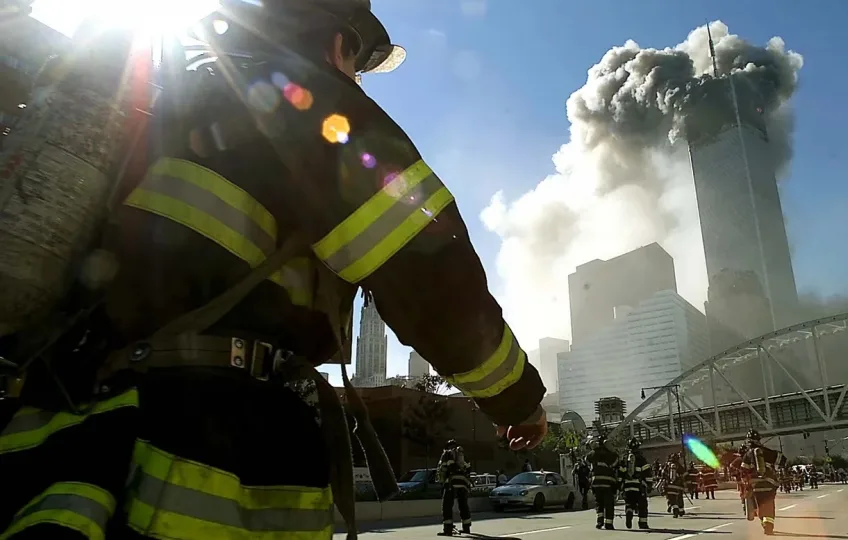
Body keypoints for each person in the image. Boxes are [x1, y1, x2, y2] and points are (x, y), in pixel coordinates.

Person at [0, 1, 549, 539]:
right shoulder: (310, 106)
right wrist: (516, 399)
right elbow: (430, 274)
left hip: (59, 439)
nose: (359, 81)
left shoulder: (171, 106)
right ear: (340, 42)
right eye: (359, 65)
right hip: (203, 444)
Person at [740, 430, 782, 536]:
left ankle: (764, 524)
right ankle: (768, 526)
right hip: (770, 484)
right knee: (769, 505)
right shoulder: (767, 451)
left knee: (760, 505)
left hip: (756, 486)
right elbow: (782, 460)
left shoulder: (747, 455)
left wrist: (746, 485)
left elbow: (743, 472)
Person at [438, 440, 472, 536]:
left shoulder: (447, 454)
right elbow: (469, 468)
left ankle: (448, 529)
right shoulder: (463, 455)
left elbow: (444, 468)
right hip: (463, 483)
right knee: (463, 505)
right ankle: (466, 528)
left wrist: (443, 479)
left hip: (451, 482)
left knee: (447, 505)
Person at [618, 437, 652, 529]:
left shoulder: (624, 459)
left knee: (629, 502)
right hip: (639, 486)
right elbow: (647, 473)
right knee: (642, 505)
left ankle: (629, 511)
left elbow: (620, 473)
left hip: (627, 487)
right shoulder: (641, 459)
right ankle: (642, 523)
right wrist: (649, 485)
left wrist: (619, 485)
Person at [586, 435, 619, 530]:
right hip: (608, 482)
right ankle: (608, 523)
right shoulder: (610, 454)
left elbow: (586, 461)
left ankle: (599, 521)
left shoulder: (593, 453)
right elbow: (616, 463)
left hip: (596, 482)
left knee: (599, 502)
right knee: (608, 503)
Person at [664, 453, 687, 518]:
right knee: (680, 498)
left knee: (672, 499)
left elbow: (663, 474)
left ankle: (675, 512)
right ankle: (681, 511)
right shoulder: (680, 466)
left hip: (670, 486)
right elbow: (685, 475)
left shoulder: (667, 466)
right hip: (679, 486)